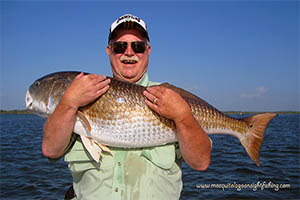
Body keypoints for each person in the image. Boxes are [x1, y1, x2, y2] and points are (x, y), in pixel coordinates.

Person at [42, 14, 212, 200]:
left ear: (148, 51)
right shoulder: (80, 95)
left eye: (138, 47)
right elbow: (51, 150)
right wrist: (68, 103)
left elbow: (201, 162)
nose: (129, 52)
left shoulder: (172, 98)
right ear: (109, 50)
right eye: (120, 46)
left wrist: (183, 116)